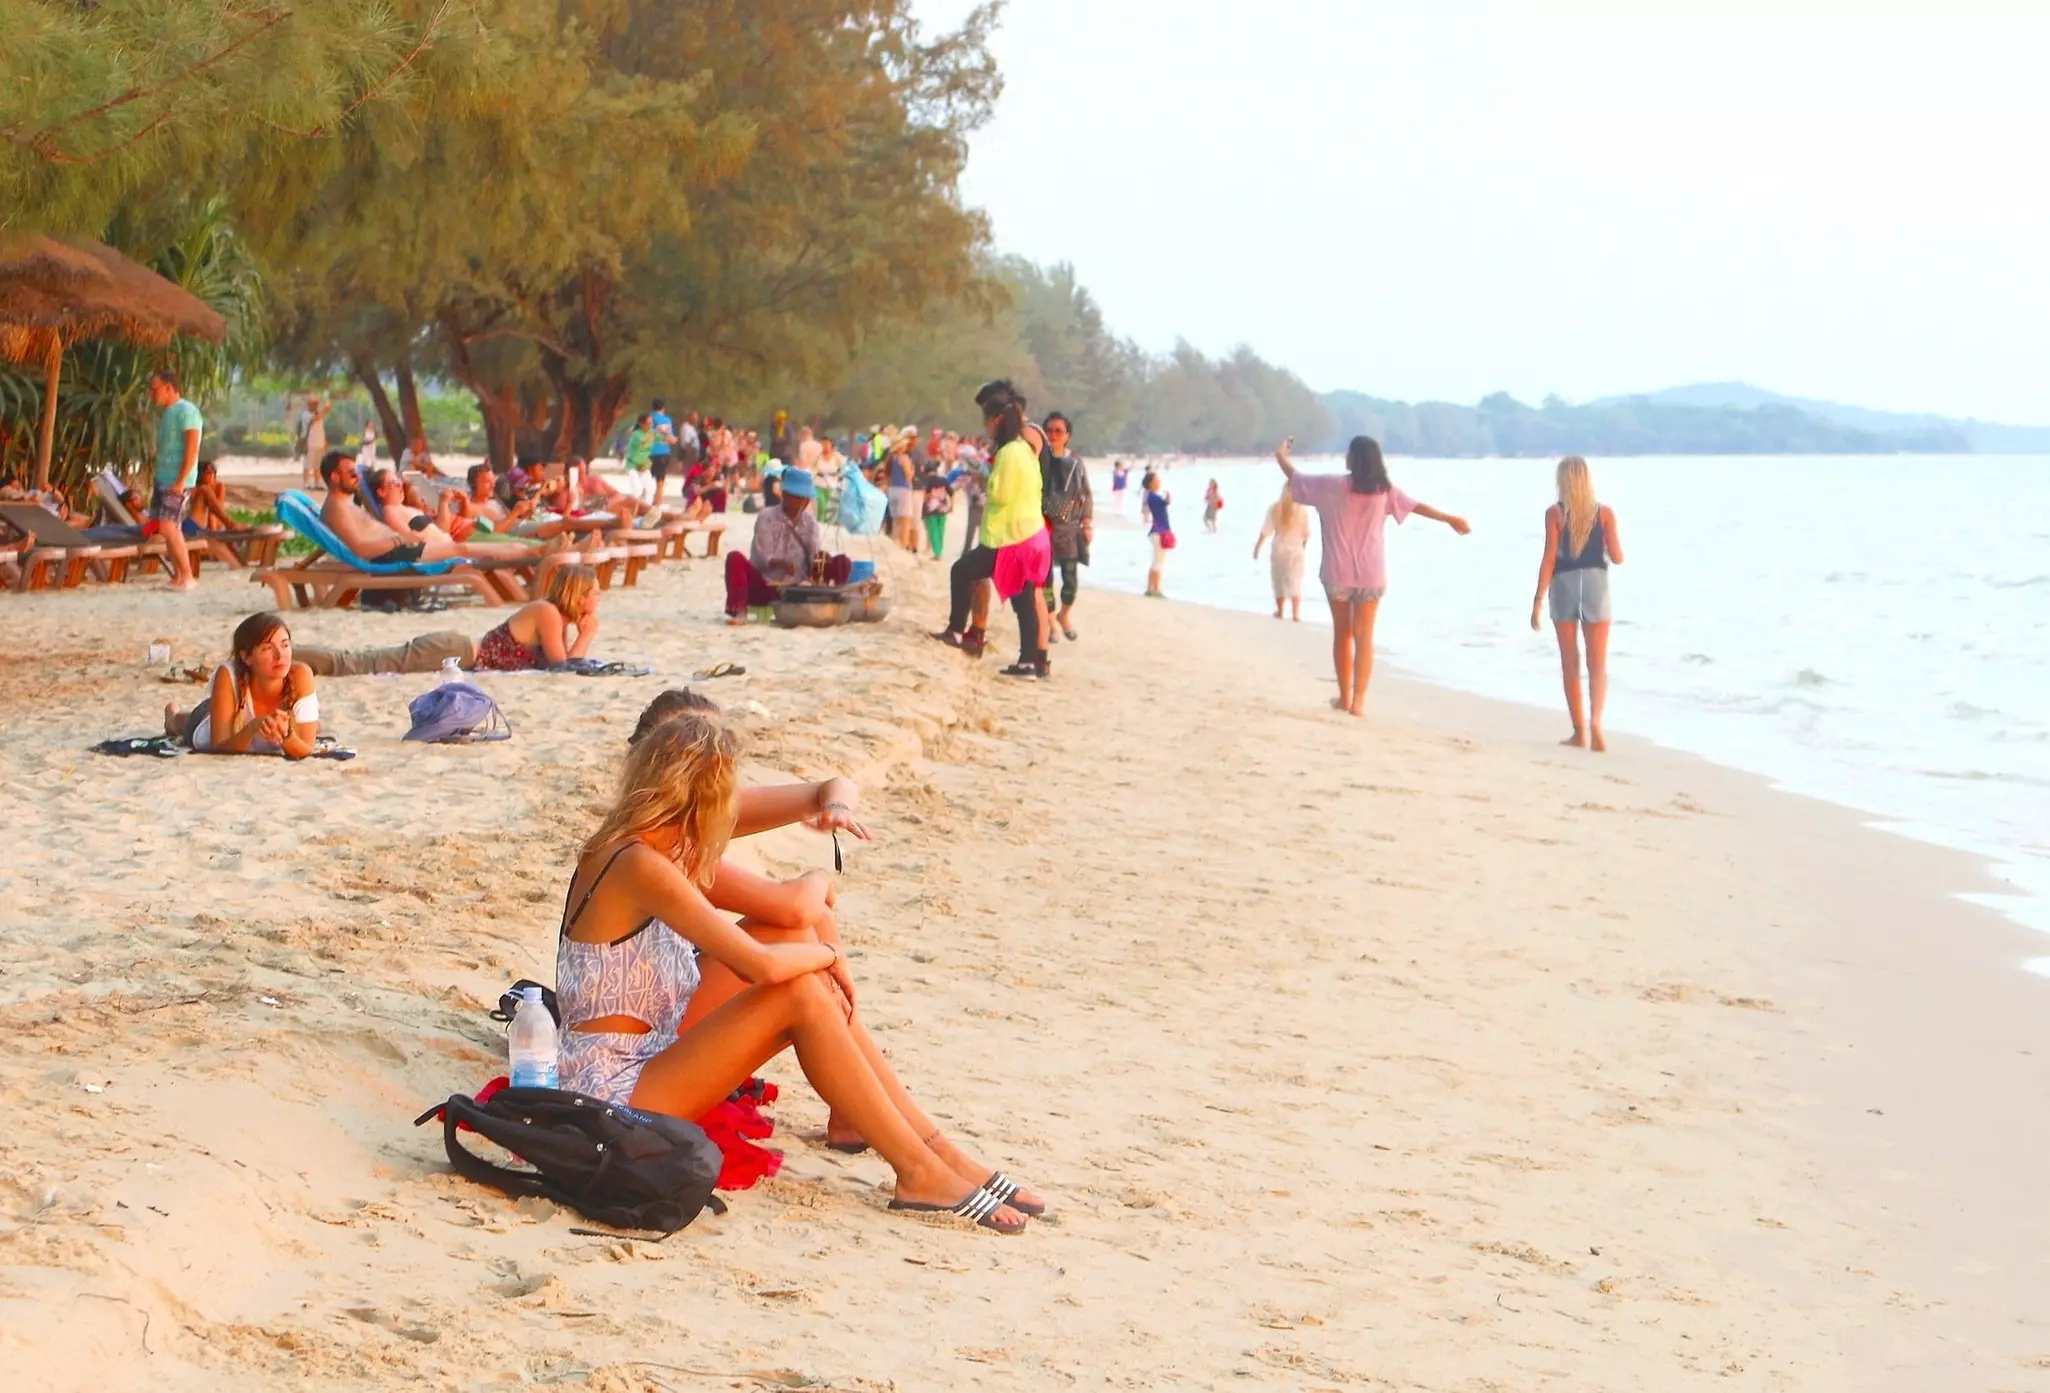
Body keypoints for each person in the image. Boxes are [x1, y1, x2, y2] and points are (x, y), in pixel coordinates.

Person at [551, 710, 1034, 1232]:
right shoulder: (640, 863)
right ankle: (919, 1170)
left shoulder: (649, 844)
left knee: (798, 963)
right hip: (609, 1094)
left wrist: (822, 950)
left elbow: (778, 927)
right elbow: (756, 965)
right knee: (800, 990)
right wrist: (830, 957)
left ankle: (934, 1150)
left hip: (644, 1054)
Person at [1275, 436, 1470, 716]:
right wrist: (1450, 519)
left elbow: (1295, 477)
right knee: (1365, 637)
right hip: (1371, 573)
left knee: (1343, 634)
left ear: (1353, 458)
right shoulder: (1384, 491)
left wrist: (1280, 454)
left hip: (1337, 571)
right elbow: (1416, 507)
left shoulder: (1331, 486)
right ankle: (1359, 703)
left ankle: (1344, 697)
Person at [932, 381, 1052, 679]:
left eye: (986, 419)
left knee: (962, 571)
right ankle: (1028, 662)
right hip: (1031, 533)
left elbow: (1000, 494)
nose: (985, 426)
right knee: (1024, 600)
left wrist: (984, 481)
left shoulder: (1010, 452)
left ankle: (956, 630)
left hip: (1009, 536)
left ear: (997, 419)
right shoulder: (1024, 449)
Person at [1530, 455, 1625, 752]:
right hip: (1596, 582)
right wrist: (1606, 546)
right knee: (1597, 663)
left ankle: (1579, 732)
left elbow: (1549, 557)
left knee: (1570, 662)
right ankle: (1597, 721)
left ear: (1563, 481)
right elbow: (1619, 557)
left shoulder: (1554, 514)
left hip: (1564, 583)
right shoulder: (1605, 513)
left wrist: (1537, 600)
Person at [164, 612, 320, 758]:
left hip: (239, 716)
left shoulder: (301, 675)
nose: (280, 656)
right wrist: (254, 727)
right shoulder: (228, 674)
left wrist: (286, 737)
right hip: (211, 716)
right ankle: (172, 716)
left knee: (311, 725)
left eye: (285, 645)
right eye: (267, 648)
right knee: (185, 723)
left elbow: (306, 748)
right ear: (246, 657)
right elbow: (219, 745)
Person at [724, 468, 847, 624]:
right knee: (734, 558)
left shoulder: (810, 523)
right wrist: (778, 562)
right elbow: (762, 556)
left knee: (842, 561)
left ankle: (836, 603)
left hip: (798, 590)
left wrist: (821, 559)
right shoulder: (766, 517)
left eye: (806, 498)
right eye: (798, 497)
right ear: (786, 495)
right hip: (767, 586)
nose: (804, 502)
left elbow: (813, 559)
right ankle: (738, 611)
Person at [361, 466, 553, 561]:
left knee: (501, 545)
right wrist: (428, 527)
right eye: (394, 483)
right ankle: (538, 552)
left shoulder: (403, 508)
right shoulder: (390, 511)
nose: (400, 486)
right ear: (381, 491)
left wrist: (430, 519)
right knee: (480, 549)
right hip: (438, 550)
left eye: (399, 482)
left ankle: (540, 551)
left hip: (446, 543)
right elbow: (407, 540)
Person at [473, 564, 603, 670]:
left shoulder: (559, 617)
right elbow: (563, 669)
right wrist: (586, 635)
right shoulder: (547, 612)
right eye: (596, 594)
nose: (599, 599)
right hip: (465, 653)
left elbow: (565, 662)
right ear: (580, 597)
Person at [147, 369, 202, 591]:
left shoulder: (187, 411)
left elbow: (192, 448)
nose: (152, 394)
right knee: (167, 527)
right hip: (164, 477)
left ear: (169, 388)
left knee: (169, 526)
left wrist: (180, 480)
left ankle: (187, 576)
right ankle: (179, 575)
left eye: (155, 389)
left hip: (178, 480)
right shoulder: (168, 414)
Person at [1040, 412, 1093, 642]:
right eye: (1049, 430)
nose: (1053, 435)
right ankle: (1051, 622)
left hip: (1070, 527)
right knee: (1045, 578)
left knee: (1070, 578)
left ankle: (1064, 615)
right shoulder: (1038, 458)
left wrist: (1088, 521)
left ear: (1067, 435)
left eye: (1058, 431)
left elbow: (1086, 493)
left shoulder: (1076, 462)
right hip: (1043, 525)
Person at [1253, 479, 1312, 622]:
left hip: (1279, 548)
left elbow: (1266, 530)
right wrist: (1303, 547)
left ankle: (1280, 611)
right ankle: (1296, 614)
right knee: (1295, 581)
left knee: (1278, 580)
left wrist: (1257, 547)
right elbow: (1306, 533)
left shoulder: (1274, 508)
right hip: (1296, 548)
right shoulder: (1302, 510)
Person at [886, 429, 920, 553]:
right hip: (903, 490)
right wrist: (913, 470)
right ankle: (903, 546)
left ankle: (895, 545)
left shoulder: (891, 459)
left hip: (892, 489)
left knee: (896, 521)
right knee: (906, 520)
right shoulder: (903, 458)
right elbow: (909, 475)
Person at [1141, 470, 1172, 598]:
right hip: (1159, 532)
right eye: (1156, 479)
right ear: (1151, 483)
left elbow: (1164, 504)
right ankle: (1156, 589)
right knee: (1159, 561)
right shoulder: (1152, 496)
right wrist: (1168, 498)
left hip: (1158, 531)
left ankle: (1151, 588)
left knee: (1157, 560)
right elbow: (1164, 503)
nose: (1159, 481)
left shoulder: (1153, 496)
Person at [621, 413, 658, 502]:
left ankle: (647, 510)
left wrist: (670, 437)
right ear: (642, 424)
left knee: (650, 489)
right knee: (637, 489)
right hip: (633, 465)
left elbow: (663, 438)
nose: (650, 425)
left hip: (644, 465)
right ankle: (631, 507)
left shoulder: (651, 433)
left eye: (651, 423)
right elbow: (644, 442)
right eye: (648, 423)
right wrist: (656, 431)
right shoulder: (636, 434)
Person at [918, 462, 951, 560]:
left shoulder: (926, 480)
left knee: (933, 531)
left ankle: (937, 553)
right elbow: (952, 493)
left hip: (931, 510)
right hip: (943, 508)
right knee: (940, 531)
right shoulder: (944, 480)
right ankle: (939, 552)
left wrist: (931, 496)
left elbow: (924, 496)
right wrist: (952, 506)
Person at [648, 399, 677, 503]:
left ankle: (642, 506)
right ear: (663, 408)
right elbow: (670, 437)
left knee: (644, 482)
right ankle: (656, 508)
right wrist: (674, 439)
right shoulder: (666, 420)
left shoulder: (647, 419)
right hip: (663, 453)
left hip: (647, 454)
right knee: (660, 483)